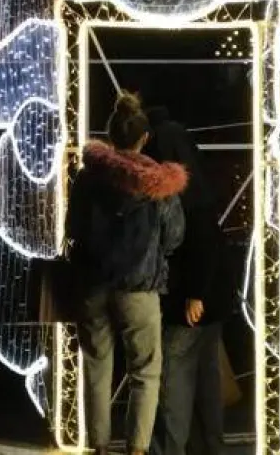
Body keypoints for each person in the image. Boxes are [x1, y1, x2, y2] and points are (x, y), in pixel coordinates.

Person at [67, 92, 187, 455]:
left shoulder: (88, 178)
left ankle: (99, 446)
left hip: (93, 283)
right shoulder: (158, 185)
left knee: (96, 364)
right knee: (145, 371)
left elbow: (74, 227)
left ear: (110, 135)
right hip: (139, 286)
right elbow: (175, 236)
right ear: (144, 138)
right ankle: (137, 449)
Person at [144, 102, 227, 455]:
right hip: (211, 296)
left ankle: (169, 448)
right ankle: (210, 447)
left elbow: (196, 243)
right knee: (206, 380)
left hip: (187, 298)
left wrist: (194, 292)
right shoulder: (201, 187)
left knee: (175, 378)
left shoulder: (179, 194)